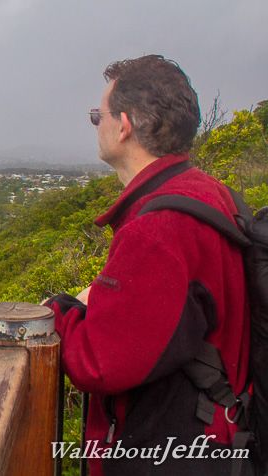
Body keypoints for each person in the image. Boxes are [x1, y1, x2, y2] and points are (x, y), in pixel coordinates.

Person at [45, 55, 251, 474]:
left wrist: (58, 312)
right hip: (220, 434)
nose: (95, 125)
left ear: (123, 125)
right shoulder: (208, 191)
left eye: (95, 115)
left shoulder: (157, 229)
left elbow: (100, 363)